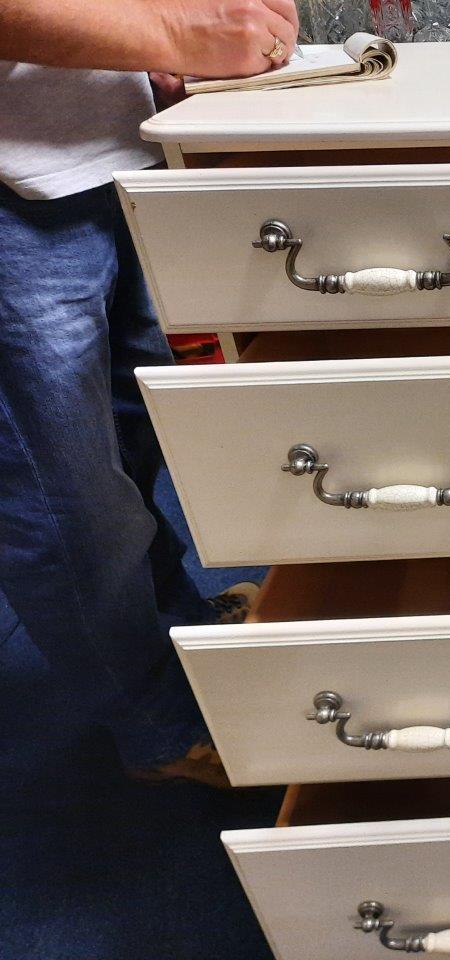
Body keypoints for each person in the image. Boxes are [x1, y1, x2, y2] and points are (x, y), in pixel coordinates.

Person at [0, 0, 300, 785]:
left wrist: (149, 44)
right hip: (11, 188)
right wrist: (174, 32)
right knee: (64, 500)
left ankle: (171, 634)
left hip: (108, 149)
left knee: (130, 452)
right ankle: (160, 728)